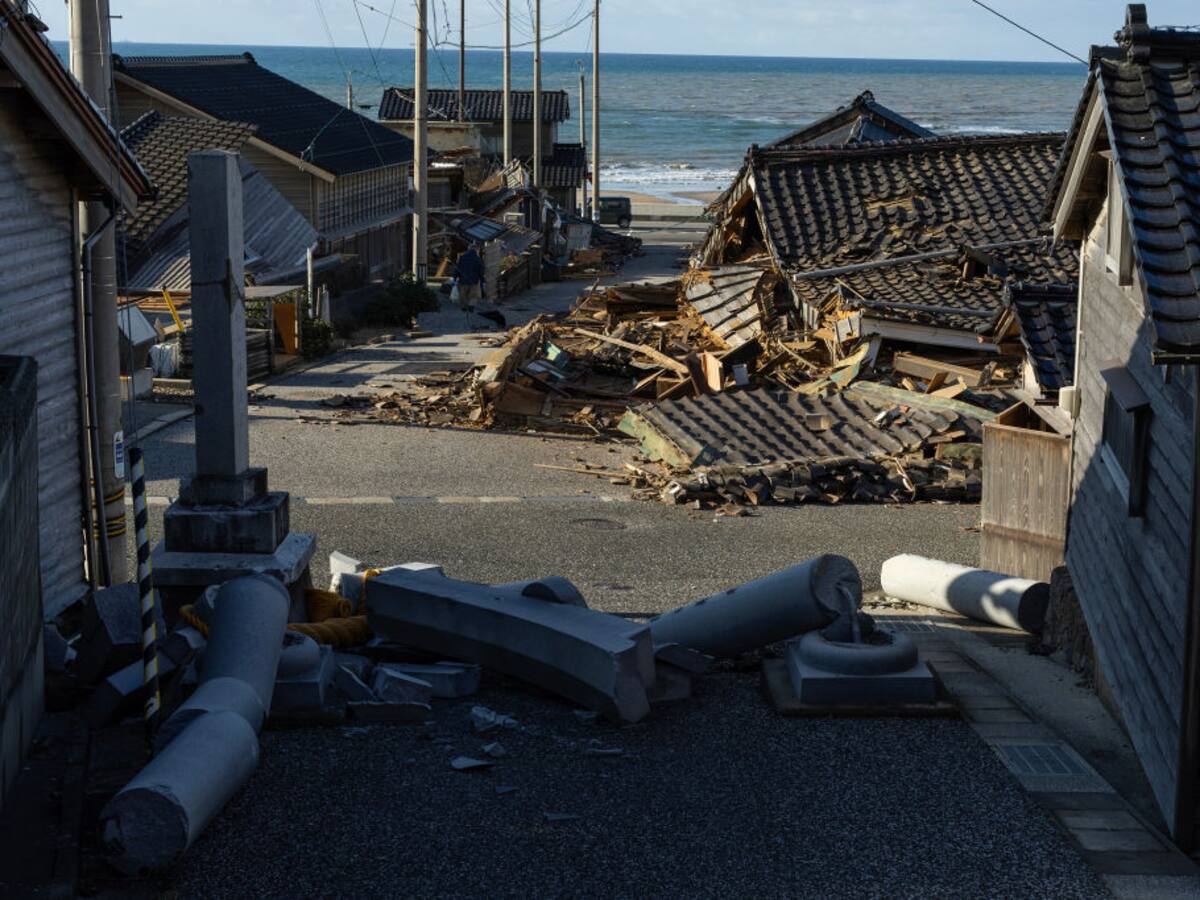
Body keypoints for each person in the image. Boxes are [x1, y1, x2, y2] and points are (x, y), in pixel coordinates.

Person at [454, 243, 485, 313]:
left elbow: (457, 268)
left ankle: (464, 307)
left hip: (462, 280)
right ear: (476, 249)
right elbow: (481, 270)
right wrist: (482, 279)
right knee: (473, 295)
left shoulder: (462, 257)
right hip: (474, 281)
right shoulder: (478, 259)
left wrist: (455, 277)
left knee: (463, 294)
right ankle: (471, 306)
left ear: (468, 249)